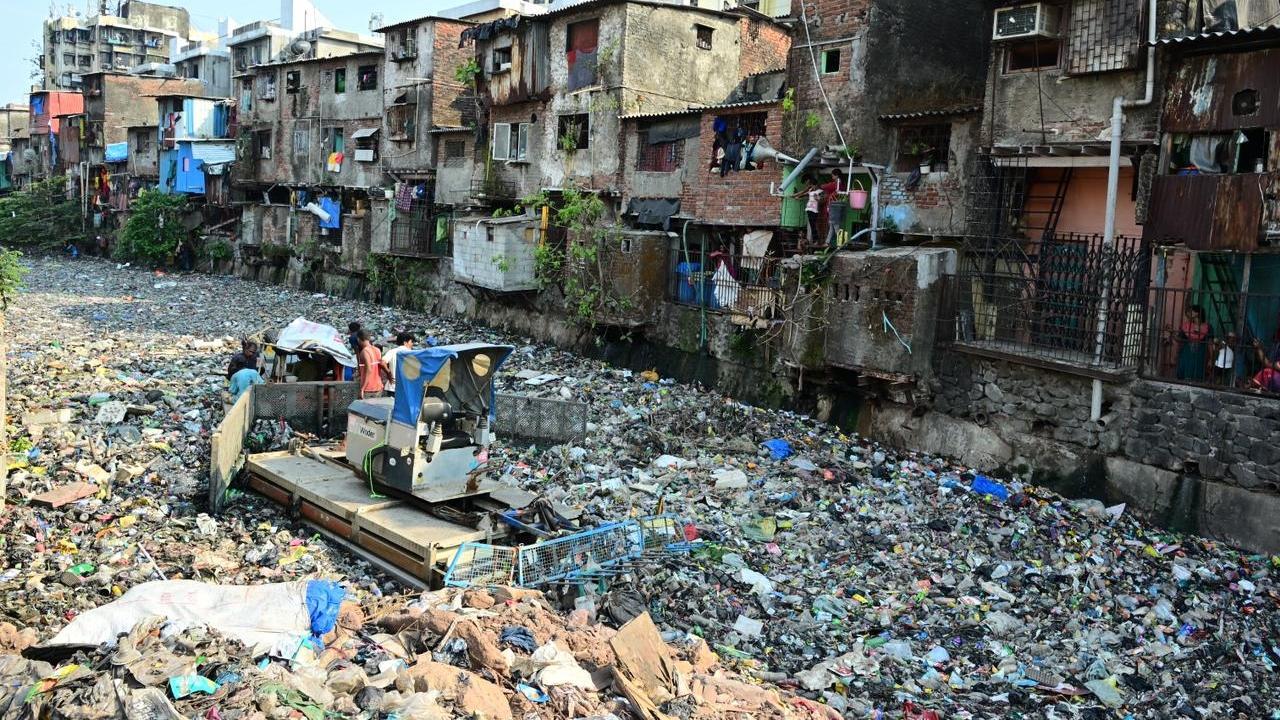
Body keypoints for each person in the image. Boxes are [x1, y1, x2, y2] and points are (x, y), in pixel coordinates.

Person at [1174, 305, 1210, 381]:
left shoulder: (1207, 327)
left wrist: (1211, 359)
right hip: (1187, 354)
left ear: (1197, 313)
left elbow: (1210, 343)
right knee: (1184, 374)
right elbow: (1179, 339)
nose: (1189, 313)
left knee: (1197, 375)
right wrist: (1172, 333)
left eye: (1192, 311)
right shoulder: (1186, 326)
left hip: (1200, 355)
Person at [382, 331, 416, 396]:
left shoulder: (392, 351)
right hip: (406, 387)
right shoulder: (412, 353)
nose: (412, 344)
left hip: (392, 387)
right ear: (405, 342)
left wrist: (388, 373)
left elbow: (382, 362)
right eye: (411, 342)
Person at [821, 169, 848, 250]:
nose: (832, 176)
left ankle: (841, 243)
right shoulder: (841, 184)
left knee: (836, 226)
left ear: (836, 175)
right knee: (832, 226)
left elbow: (824, 186)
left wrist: (823, 186)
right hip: (837, 207)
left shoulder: (837, 184)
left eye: (832, 175)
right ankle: (827, 242)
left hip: (834, 207)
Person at [356, 330, 386, 399]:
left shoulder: (364, 352)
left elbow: (369, 369)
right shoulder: (377, 350)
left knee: (364, 409)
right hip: (378, 387)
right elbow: (381, 365)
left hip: (368, 389)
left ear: (358, 339)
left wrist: (362, 389)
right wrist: (388, 374)